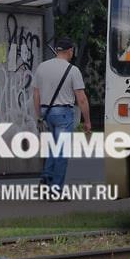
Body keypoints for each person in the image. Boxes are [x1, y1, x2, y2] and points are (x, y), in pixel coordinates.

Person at [33, 36, 91, 189]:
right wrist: (87, 121)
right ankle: (56, 189)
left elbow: (36, 94)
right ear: (70, 51)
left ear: (57, 50)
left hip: (46, 112)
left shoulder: (42, 67)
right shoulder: (73, 70)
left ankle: (46, 178)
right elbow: (81, 99)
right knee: (61, 153)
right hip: (63, 114)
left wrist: (39, 115)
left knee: (53, 148)